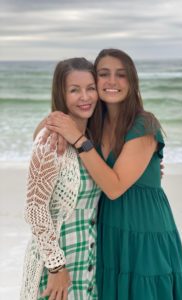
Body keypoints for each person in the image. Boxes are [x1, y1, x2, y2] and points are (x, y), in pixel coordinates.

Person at [43, 48, 182, 300]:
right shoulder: (94, 124)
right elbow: (45, 128)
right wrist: (56, 127)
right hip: (108, 228)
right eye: (103, 74)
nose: (112, 81)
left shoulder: (144, 124)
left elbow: (114, 187)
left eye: (121, 75)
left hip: (144, 230)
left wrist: (77, 139)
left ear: (132, 81)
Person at [20, 57, 102, 300]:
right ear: (61, 93)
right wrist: (56, 266)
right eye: (74, 90)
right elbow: (35, 209)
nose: (85, 97)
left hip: (88, 261)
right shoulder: (49, 141)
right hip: (57, 263)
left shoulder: (93, 138)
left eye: (90, 88)